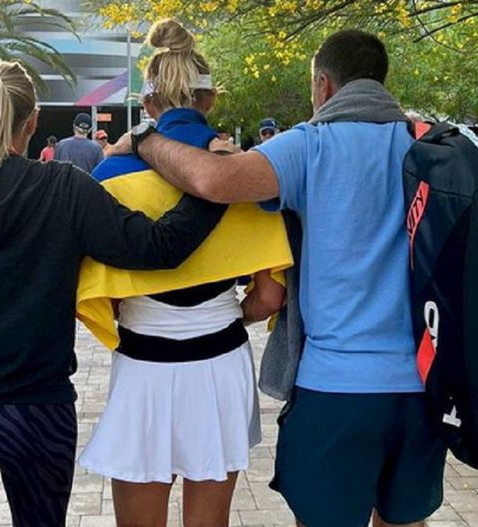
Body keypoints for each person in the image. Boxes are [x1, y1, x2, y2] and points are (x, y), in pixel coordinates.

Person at [111, 29, 446, 527]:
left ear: (323, 85)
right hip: (422, 380)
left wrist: (146, 138)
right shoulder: (434, 147)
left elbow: (213, 181)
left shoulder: (309, 145)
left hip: (334, 385)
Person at [0, 60, 227, 527]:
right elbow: (158, 247)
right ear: (33, 121)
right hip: (36, 412)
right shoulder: (62, 188)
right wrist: (212, 182)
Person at [77, 19, 291, 527]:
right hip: (220, 362)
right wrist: (232, 313)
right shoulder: (245, 176)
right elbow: (268, 298)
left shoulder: (108, 177)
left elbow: (103, 292)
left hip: (143, 364)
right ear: (209, 99)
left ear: (148, 105)